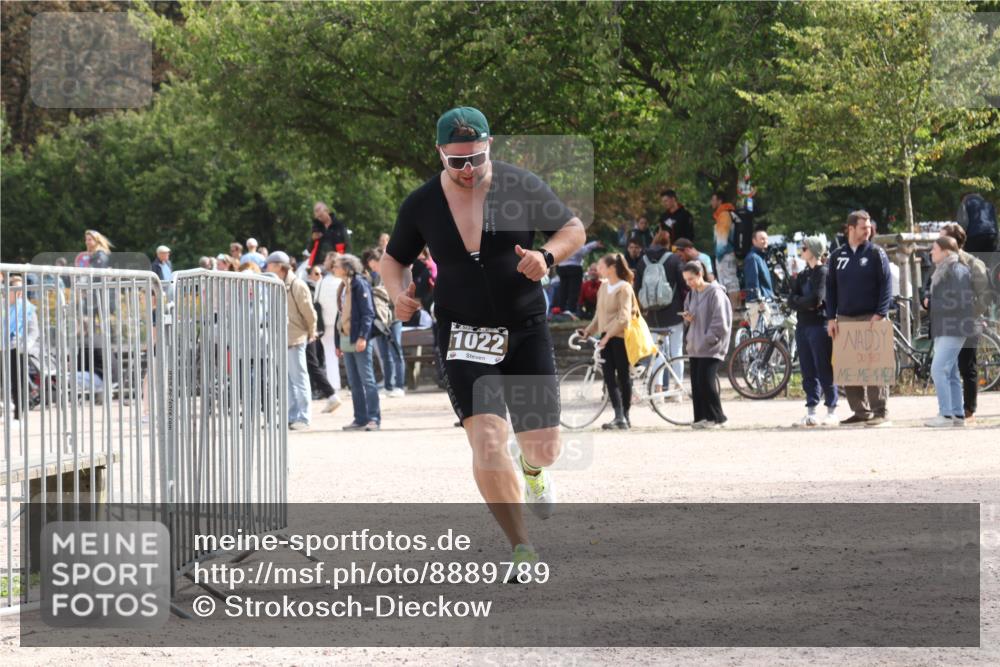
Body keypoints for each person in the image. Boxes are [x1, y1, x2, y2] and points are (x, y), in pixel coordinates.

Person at [381, 106, 585, 568]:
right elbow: (394, 260)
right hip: (463, 332)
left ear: (490, 145)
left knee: (544, 447)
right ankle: (521, 546)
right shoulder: (421, 203)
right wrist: (397, 294)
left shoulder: (520, 184)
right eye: (457, 162)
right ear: (439, 154)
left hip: (525, 326)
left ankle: (532, 470)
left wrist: (547, 256)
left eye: (475, 158)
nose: (468, 169)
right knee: (488, 441)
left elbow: (573, 228)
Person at [826, 210, 893, 427]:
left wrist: (880, 313)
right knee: (850, 367)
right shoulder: (837, 256)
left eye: (870, 227)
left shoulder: (876, 253)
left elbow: (886, 285)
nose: (868, 231)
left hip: (871, 317)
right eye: (864, 227)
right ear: (851, 228)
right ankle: (860, 411)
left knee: (874, 366)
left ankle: (880, 411)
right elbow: (831, 288)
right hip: (845, 318)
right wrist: (831, 317)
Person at [939, 223, 991, 424]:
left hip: (968, 322)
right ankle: (951, 409)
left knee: (966, 366)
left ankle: (969, 409)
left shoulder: (973, 264)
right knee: (947, 366)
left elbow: (984, 298)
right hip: (947, 323)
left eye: (942, 237)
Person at [578, 254, 637, 430]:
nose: (597, 270)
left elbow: (624, 318)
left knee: (623, 376)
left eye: (601, 267)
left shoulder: (625, 288)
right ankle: (618, 415)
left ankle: (625, 415)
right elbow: (599, 315)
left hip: (619, 338)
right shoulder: (603, 287)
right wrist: (588, 331)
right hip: (606, 337)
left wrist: (607, 336)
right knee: (609, 378)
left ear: (611, 268)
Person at [925, 236, 976, 427]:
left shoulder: (958, 270)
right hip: (944, 327)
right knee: (952, 371)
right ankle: (957, 415)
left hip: (955, 327)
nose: (931, 252)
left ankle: (945, 415)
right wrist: (928, 298)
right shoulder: (943, 270)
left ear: (946, 251)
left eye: (934, 249)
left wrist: (933, 303)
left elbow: (961, 301)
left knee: (938, 369)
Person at [787, 236, 838, 427]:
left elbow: (816, 299)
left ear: (814, 250)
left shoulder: (823, 272)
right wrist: (803, 302)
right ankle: (811, 409)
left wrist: (801, 302)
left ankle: (832, 409)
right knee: (807, 368)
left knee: (824, 367)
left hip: (819, 324)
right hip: (803, 325)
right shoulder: (802, 274)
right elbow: (791, 299)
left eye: (804, 247)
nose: (802, 250)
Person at [264, 251, 317, 431]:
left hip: (295, 337)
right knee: (287, 381)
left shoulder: (297, 284)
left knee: (299, 379)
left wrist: (312, 332)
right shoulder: (276, 284)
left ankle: (303, 416)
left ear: (279, 266)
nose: (266, 267)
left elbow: (309, 312)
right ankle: (291, 415)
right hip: (280, 338)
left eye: (270, 264)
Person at [681, 260, 732, 429]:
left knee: (706, 382)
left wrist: (709, 338)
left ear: (700, 274)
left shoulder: (715, 293)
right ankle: (702, 417)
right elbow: (689, 312)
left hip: (710, 346)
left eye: (691, 279)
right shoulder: (692, 294)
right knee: (697, 383)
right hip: (696, 346)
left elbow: (720, 320)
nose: (689, 283)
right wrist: (688, 319)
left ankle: (718, 417)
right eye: (686, 280)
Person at [334, 254, 381, 431]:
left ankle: (374, 418)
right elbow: (339, 315)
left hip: (359, 338)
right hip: (346, 338)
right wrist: (338, 343)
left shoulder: (359, 284)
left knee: (367, 380)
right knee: (354, 381)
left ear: (347, 267)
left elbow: (368, 313)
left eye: (337, 265)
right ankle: (360, 418)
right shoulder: (342, 286)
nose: (334, 268)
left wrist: (363, 337)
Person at [635, 230, 685, 391]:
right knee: (676, 349)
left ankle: (658, 389)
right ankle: (677, 389)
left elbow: (637, 287)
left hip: (652, 314)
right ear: (668, 243)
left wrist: (643, 308)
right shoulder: (674, 259)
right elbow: (683, 285)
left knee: (656, 351)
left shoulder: (642, 261)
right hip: (674, 311)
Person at [363, 247, 406, 397]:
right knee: (384, 354)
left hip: (393, 318)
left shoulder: (391, 273)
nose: (372, 267)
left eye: (373, 264)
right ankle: (388, 386)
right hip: (381, 319)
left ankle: (399, 385)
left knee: (396, 351)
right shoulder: (375, 277)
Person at [3, 274, 40, 423]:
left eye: (21, 288)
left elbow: (34, 330)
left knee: (18, 382)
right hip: (2, 347)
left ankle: (19, 415)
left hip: (17, 348)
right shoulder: (2, 304)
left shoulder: (27, 307)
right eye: (16, 288)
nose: (19, 292)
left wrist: (25, 345)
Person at [305, 263, 338, 404]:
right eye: (316, 274)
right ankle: (322, 390)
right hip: (315, 329)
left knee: (318, 360)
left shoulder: (321, 286)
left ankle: (327, 391)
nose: (319, 276)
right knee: (315, 361)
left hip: (319, 329)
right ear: (310, 275)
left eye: (320, 274)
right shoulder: (307, 287)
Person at [315, 251, 344, 412]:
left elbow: (318, 302)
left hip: (326, 322)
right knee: (335, 353)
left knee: (330, 354)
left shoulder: (324, 281)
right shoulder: (340, 281)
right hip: (339, 321)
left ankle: (334, 384)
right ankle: (335, 383)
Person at [556, 238, 602, 315]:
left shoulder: (560, 242)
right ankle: (571, 310)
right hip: (574, 267)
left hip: (562, 267)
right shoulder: (574, 241)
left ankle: (561, 309)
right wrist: (594, 244)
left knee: (563, 289)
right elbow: (582, 251)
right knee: (573, 290)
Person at [710, 191, 740, 293]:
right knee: (732, 283)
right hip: (730, 253)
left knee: (729, 285)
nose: (711, 202)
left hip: (725, 256)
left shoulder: (723, 215)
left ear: (719, 201)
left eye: (713, 200)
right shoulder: (730, 213)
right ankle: (734, 308)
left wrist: (718, 256)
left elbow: (721, 241)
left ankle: (733, 308)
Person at [310, 201, 350, 267]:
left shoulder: (339, 226)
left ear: (327, 211)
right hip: (318, 265)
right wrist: (312, 239)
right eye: (318, 217)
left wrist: (344, 263)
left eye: (321, 215)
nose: (319, 218)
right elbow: (309, 249)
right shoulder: (315, 228)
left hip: (336, 264)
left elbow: (348, 246)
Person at [743, 229, 774, 302]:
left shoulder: (761, 257)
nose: (765, 241)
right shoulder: (753, 258)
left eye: (766, 239)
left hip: (767, 299)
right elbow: (752, 284)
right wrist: (757, 300)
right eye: (762, 239)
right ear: (754, 241)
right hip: (760, 303)